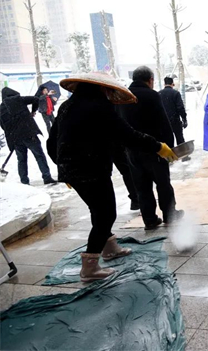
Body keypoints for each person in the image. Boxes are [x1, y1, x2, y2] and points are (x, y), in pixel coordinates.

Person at [47, 72, 177, 281]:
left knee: (97, 210)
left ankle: (109, 248)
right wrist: (157, 146)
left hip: (72, 169)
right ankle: (89, 267)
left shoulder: (66, 107)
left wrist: (63, 167)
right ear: (100, 88)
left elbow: (52, 142)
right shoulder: (99, 107)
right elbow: (126, 134)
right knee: (105, 214)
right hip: (92, 168)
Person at [119, 66, 183, 230]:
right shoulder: (152, 95)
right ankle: (169, 216)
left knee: (142, 186)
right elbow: (163, 122)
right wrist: (169, 148)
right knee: (163, 184)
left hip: (132, 150)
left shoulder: (123, 95)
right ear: (150, 80)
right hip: (154, 148)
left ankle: (149, 219)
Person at [0, 87, 56, 185]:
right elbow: (36, 99)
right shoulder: (19, 99)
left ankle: (24, 181)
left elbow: (3, 126)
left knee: (21, 160)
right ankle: (46, 177)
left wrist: (13, 131)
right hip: (29, 133)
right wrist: (33, 111)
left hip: (16, 138)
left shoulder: (1, 108)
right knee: (39, 155)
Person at [159, 76, 187, 145]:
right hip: (175, 120)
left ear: (164, 84)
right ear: (172, 84)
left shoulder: (159, 94)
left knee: (167, 141)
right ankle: (181, 154)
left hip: (164, 121)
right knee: (179, 139)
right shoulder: (176, 93)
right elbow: (180, 107)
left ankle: (169, 155)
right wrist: (184, 119)